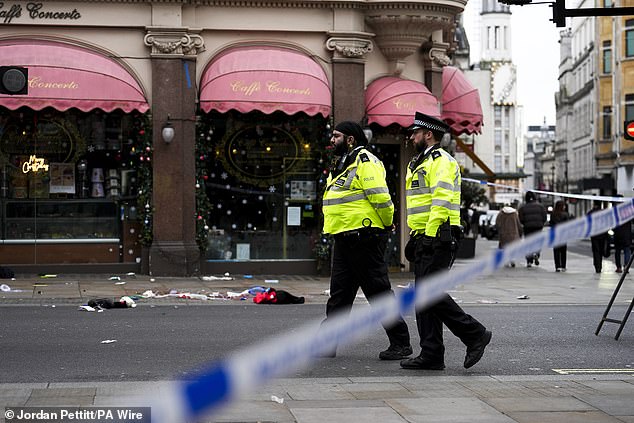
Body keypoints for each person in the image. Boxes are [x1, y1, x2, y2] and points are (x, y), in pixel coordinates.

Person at [399, 111, 491, 371]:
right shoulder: (418, 162)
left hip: (439, 235)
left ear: (428, 134)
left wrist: (428, 236)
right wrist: (416, 236)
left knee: (429, 294)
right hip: (425, 236)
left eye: (415, 132)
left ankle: (474, 334)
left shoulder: (441, 161)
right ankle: (431, 353)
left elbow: (439, 201)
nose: (411, 136)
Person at [319, 121, 412, 360]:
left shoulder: (365, 161)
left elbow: (381, 197)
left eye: (337, 136)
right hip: (344, 238)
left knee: (378, 292)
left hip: (364, 238)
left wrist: (386, 223)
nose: (332, 139)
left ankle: (401, 343)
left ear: (350, 139)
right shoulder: (342, 163)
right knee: (340, 293)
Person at [518, 191, 547, 267]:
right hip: (538, 227)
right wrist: (541, 223)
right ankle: (536, 253)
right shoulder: (541, 206)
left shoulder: (523, 207)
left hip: (527, 227)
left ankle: (529, 261)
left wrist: (524, 223)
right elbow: (544, 217)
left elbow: (520, 218)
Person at [550, 200, 572, 272]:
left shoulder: (553, 214)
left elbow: (551, 224)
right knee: (563, 251)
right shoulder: (565, 214)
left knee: (556, 251)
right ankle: (563, 266)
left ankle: (557, 266)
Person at [588, 200, 606, 273]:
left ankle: (597, 266)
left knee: (596, 251)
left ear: (594, 204)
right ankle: (600, 266)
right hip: (602, 233)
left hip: (594, 234)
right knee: (601, 250)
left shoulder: (591, 213)